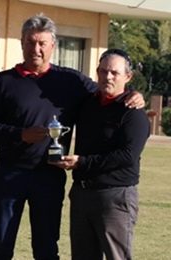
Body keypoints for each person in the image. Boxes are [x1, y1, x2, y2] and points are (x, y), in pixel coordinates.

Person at [0, 14, 144, 259]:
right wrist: (20, 134)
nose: (36, 49)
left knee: (46, 248)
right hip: (10, 173)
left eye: (42, 43)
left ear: (53, 46)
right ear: (22, 42)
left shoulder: (71, 81)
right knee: (0, 247)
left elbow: (109, 89)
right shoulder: (5, 81)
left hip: (49, 175)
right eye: (30, 42)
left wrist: (134, 94)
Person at [51, 49, 149, 259]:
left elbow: (127, 155)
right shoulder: (88, 103)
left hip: (115, 196)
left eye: (114, 72)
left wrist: (82, 163)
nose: (108, 77)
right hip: (82, 193)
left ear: (128, 76)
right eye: (103, 71)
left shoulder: (132, 112)